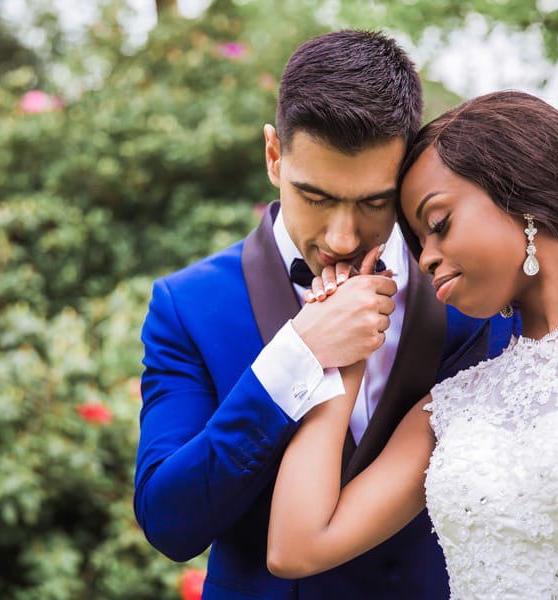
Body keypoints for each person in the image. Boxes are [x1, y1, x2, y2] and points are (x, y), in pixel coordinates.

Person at [134, 30, 512, 598]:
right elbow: (170, 523)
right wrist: (296, 356)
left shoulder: (478, 297)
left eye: (373, 201)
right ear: (273, 156)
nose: (341, 235)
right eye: (315, 197)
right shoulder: (188, 307)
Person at [267, 90, 558, 599]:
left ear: (520, 192)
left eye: (438, 225)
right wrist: (341, 359)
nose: (425, 259)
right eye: (419, 242)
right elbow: (295, 548)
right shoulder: (452, 407)